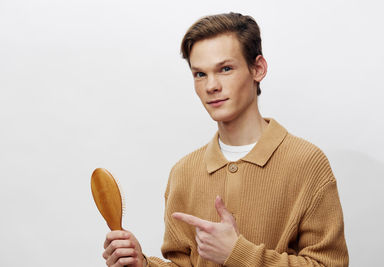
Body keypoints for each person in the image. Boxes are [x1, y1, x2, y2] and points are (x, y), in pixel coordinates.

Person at [102, 12, 349, 267]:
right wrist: (142, 265)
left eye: (226, 69)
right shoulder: (184, 172)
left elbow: (329, 264)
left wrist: (238, 253)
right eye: (200, 74)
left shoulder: (307, 163)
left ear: (258, 69)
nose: (211, 86)